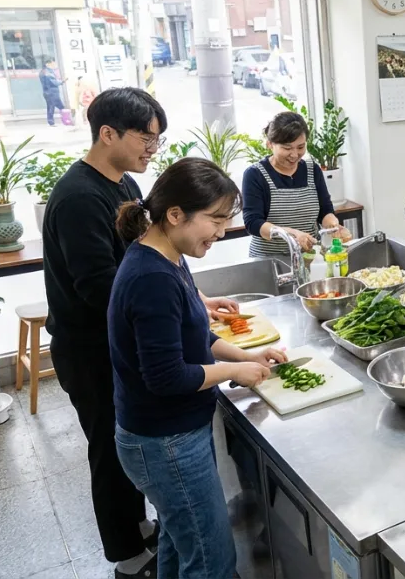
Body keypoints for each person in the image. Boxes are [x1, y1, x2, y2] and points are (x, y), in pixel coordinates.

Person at [43, 87, 239, 579]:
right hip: (91, 350)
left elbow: (157, 269)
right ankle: (126, 554)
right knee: (111, 452)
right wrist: (177, 312)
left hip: (132, 351)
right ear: (107, 133)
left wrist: (194, 304)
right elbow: (101, 287)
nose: (152, 148)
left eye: (157, 139)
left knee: (168, 509)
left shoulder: (128, 188)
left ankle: (146, 531)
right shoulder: (78, 197)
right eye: (145, 138)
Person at [109, 157, 288, 578]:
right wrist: (231, 374)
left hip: (168, 435)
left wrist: (246, 357)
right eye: (216, 220)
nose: (222, 231)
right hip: (164, 442)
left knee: (178, 542)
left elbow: (194, 336)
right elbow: (167, 376)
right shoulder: (151, 277)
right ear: (175, 214)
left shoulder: (169, 256)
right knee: (211, 560)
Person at [243, 111, 350, 258]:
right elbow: (253, 223)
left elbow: (325, 211)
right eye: (287, 148)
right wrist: (292, 235)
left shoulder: (312, 170)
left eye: (300, 147)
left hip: (310, 257)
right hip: (269, 261)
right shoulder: (255, 174)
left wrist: (332, 225)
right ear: (270, 144)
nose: (294, 154)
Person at [39, 57, 67, 127]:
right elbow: (54, 82)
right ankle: (54, 122)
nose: (54, 65)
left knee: (59, 107)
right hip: (51, 92)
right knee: (53, 107)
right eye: (52, 64)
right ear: (47, 64)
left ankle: (65, 120)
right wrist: (62, 81)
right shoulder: (47, 72)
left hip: (49, 92)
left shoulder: (45, 71)